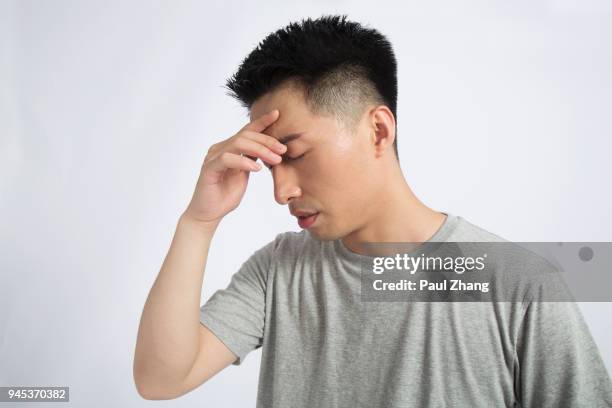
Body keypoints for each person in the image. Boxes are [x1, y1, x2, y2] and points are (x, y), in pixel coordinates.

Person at [133, 15, 612, 407]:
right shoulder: (280, 270)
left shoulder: (518, 283)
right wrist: (199, 222)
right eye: (269, 163)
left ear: (378, 131)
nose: (280, 190)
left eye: (295, 154)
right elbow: (159, 380)